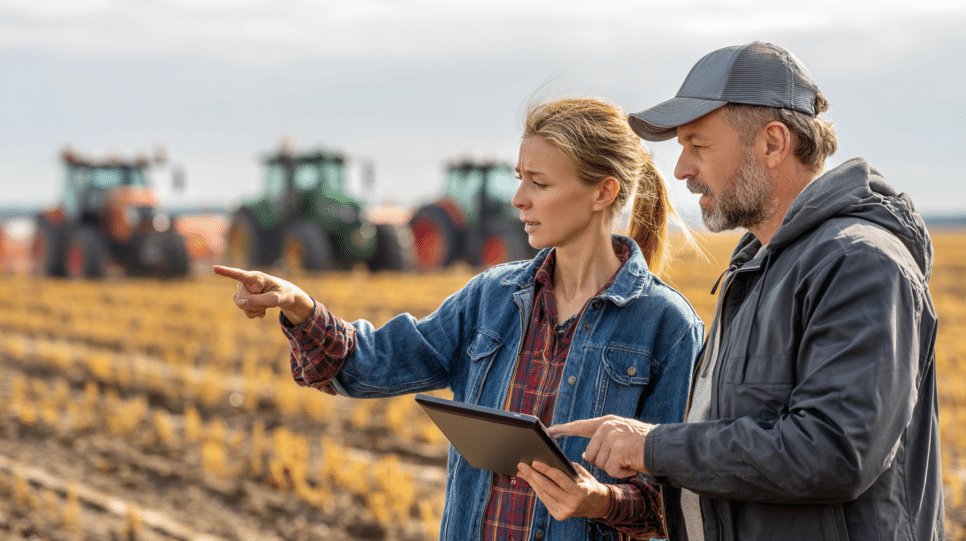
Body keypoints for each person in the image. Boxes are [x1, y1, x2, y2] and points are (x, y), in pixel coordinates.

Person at [214, 97, 705, 540]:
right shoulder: (490, 297)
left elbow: (679, 508)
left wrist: (600, 501)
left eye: (540, 183)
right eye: (519, 180)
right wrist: (300, 306)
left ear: (603, 193)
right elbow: (369, 364)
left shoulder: (667, 325)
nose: (519, 200)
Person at [552, 42, 944, 540]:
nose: (681, 170)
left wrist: (654, 448)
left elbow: (834, 452)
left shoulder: (859, 263)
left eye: (699, 145)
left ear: (773, 144)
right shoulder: (761, 267)